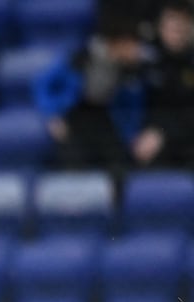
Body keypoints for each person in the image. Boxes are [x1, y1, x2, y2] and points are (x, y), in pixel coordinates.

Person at [33, 12, 152, 175]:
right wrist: (52, 114)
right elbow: (43, 84)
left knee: (120, 164)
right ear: (119, 43)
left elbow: (132, 107)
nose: (137, 50)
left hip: (106, 118)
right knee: (74, 164)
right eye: (133, 45)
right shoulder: (80, 57)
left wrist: (131, 134)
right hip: (75, 114)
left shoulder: (132, 72)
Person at [132, 0, 194, 167]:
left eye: (182, 22)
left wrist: (163, 133)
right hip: (146, 141)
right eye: (171, 21)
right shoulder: (143, 60)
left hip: (185, 140)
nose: (177, 29)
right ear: (160, 26)